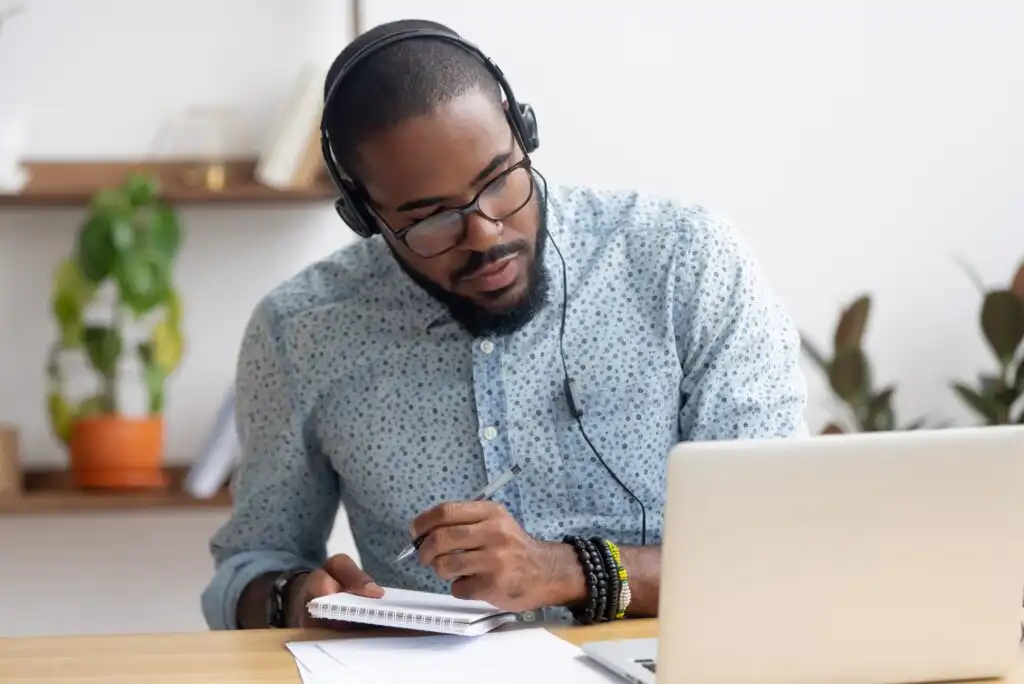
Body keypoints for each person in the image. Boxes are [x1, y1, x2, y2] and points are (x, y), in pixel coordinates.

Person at [201, 19, 808, 632]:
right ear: (365, 217)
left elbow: (780, 546)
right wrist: (294, 597)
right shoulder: (299, 331)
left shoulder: (685, 261)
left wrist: (565, 571)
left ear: (525, 134)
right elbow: (248, 568)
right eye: (430, 218)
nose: (485, 233)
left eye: (498, 181)